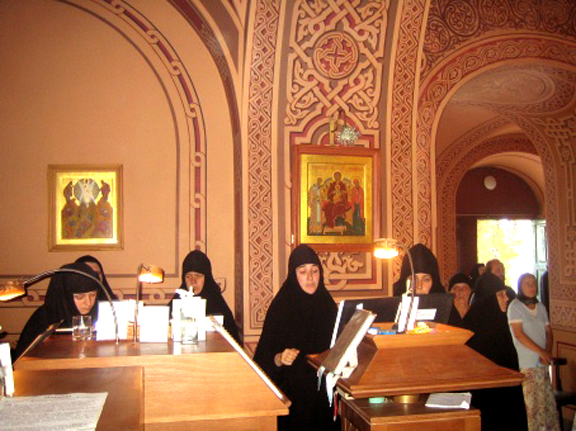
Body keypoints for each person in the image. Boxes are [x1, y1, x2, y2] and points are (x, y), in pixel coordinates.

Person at [254, 244, 338, 431]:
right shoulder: (281, 308)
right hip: (293, 399)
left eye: (314, 271)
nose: (310, 277)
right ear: (294, 275)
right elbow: (262, 359)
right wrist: (279, 358)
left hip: (324, 396)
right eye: (303, 271)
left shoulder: (328, 306)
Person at [462, 272, 528, 431]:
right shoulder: (473, 324)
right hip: (487, 399)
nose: (506, 298)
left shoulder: (499, 320)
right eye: (501, 294)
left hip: (506, 395)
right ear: (489, 299)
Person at [14, 262, 101, 359]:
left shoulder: (102, 314)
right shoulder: (43, 320)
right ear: (65, 296)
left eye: (93, 295)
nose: (88, 303)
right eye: (79, 297)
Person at [508, 273, 560, 431]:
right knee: (531, 406)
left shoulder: (541, 307)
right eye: (527, 284)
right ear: (521, 287)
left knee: (544, 403)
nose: (531, 287)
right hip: (526, 364)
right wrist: (540, 351)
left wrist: (547, 352)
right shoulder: (515, 306)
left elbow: (548, 332)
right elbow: (519, 334)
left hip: (541, 364)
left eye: (533, 283)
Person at [169, 250, 241, 344]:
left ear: (206, 278)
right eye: (188, 276)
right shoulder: (176, 305)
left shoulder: (218, 307)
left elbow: (231, 343)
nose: (193, 281)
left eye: (198, 276)